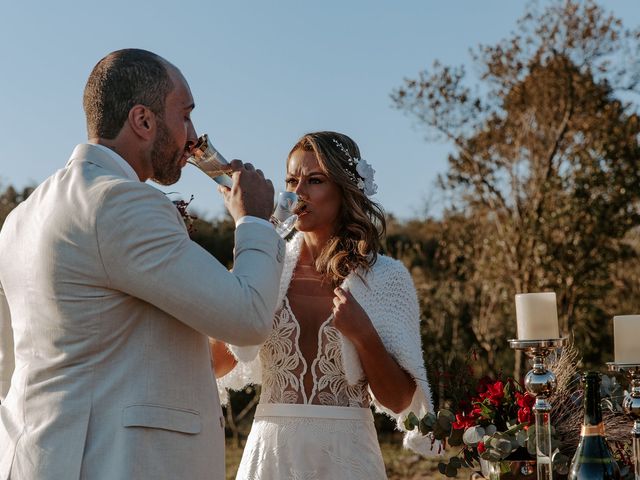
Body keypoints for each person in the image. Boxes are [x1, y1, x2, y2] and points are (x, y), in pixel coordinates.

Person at [0, 48, 285, 480]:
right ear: (143, 120)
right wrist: (253, 222)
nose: (192, 135)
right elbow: (246, 317)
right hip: (119, 461)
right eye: (184, 115)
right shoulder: (121, 201)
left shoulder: (21, 217)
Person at [213, 131, 438, 480]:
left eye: (314, 180)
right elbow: (216, 363)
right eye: (291, 180)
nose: (298, 192)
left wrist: (364, 335)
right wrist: (242, 274)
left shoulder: (385, 279)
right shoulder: (264, 269)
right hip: (269, 459)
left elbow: (399, 401)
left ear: (345, 190)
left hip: (348, 460)